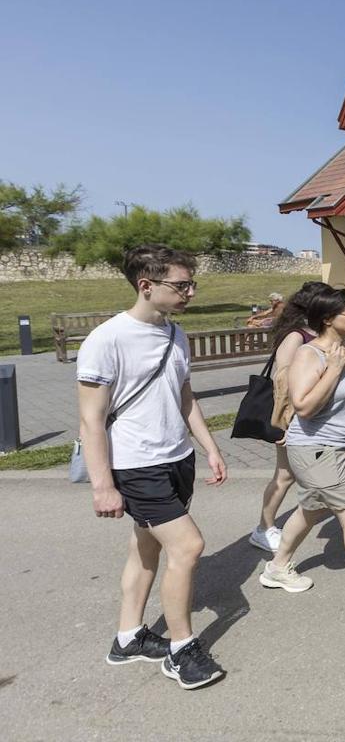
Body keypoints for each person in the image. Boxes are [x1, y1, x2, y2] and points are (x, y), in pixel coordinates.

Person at [77, 244, 229, 691]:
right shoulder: (106, 340)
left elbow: (185, 396)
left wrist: (210, 447)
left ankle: (128, 638)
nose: (190, 292)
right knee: (188, 546)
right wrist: (102, 486)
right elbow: (90, 419)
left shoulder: (175, 333)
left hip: (175, 458)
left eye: (191, 284)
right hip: (136, 464)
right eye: (181, 285)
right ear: (147, 285)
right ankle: (182, 650)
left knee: (147, 548)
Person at [257, 284, 345, 612]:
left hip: (338, 448)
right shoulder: (309, 354)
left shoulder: (343, 351)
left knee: (312, 510)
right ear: (327, 318)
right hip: (316, 449)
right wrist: (335, 369)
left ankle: (277, 568)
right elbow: (304, 406)